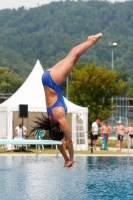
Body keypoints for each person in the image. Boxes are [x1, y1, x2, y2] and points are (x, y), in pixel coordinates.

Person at [30, 33, 102, 167]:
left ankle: (91, 41)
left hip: (53, 81)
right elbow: (59, 143)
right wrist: (66, 159)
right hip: (47, 78)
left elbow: (68, 142)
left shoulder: (59, 119)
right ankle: (88, 40)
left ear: (61, 129)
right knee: (72, 57)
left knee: (74, 56)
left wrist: (72, 158)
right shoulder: (51, 121)